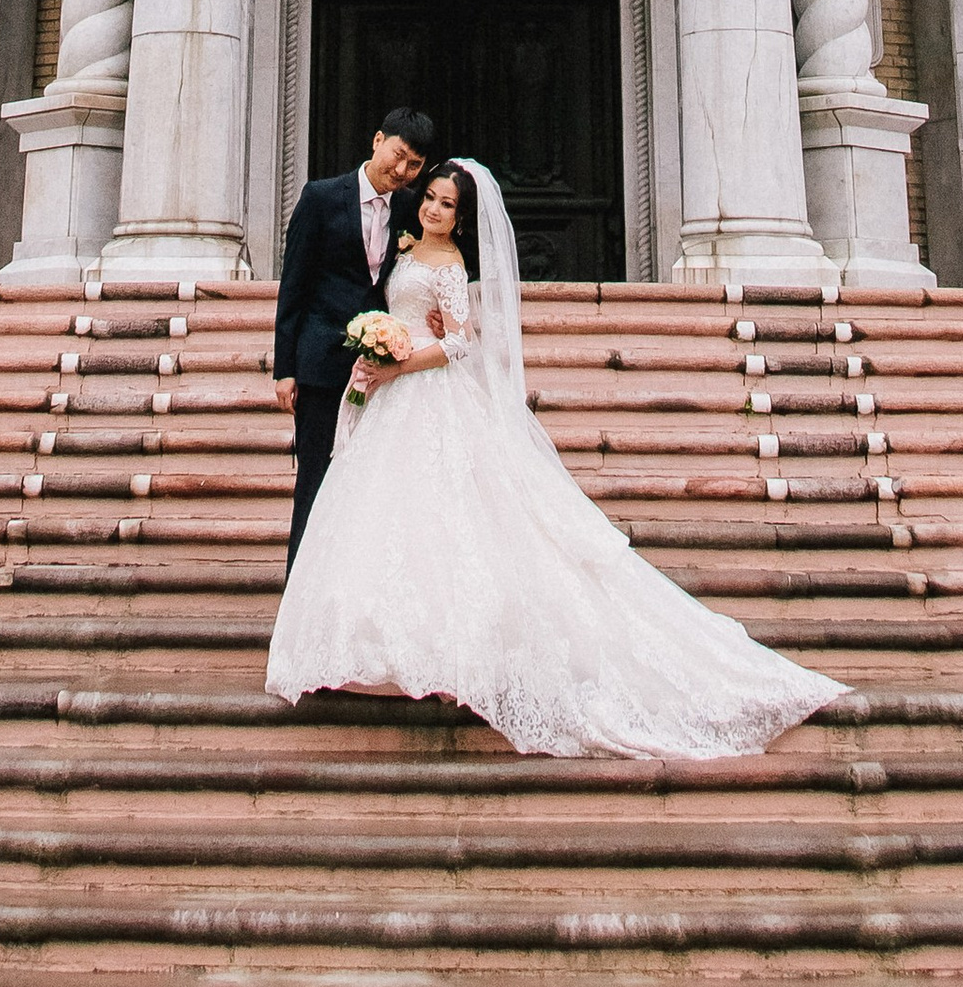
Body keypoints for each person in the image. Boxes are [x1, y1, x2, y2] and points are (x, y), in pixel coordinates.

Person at [267, 154, 842, 760]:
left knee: (447, 519)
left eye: (447, 204)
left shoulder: (450, 265)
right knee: (390, 520)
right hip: (390, 397)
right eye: (430, 197)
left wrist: (397, 363)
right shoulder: (406, 246)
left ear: (463, 219)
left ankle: (454, 652)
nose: (434, 209)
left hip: (425, 392)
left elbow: (460, 341)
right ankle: (384, 648)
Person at [271, 105, 432, 573]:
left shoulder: (410, 207)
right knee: (315, 480)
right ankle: (298, 589)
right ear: (377, 140)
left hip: (381, 369)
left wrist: (439, 312)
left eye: (414, 165)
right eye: (398, 156)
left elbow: (434, 260)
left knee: (367, 484)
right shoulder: (320, 197)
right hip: (320, 365)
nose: (401, 171)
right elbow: (294, 286)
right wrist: (285, 369)